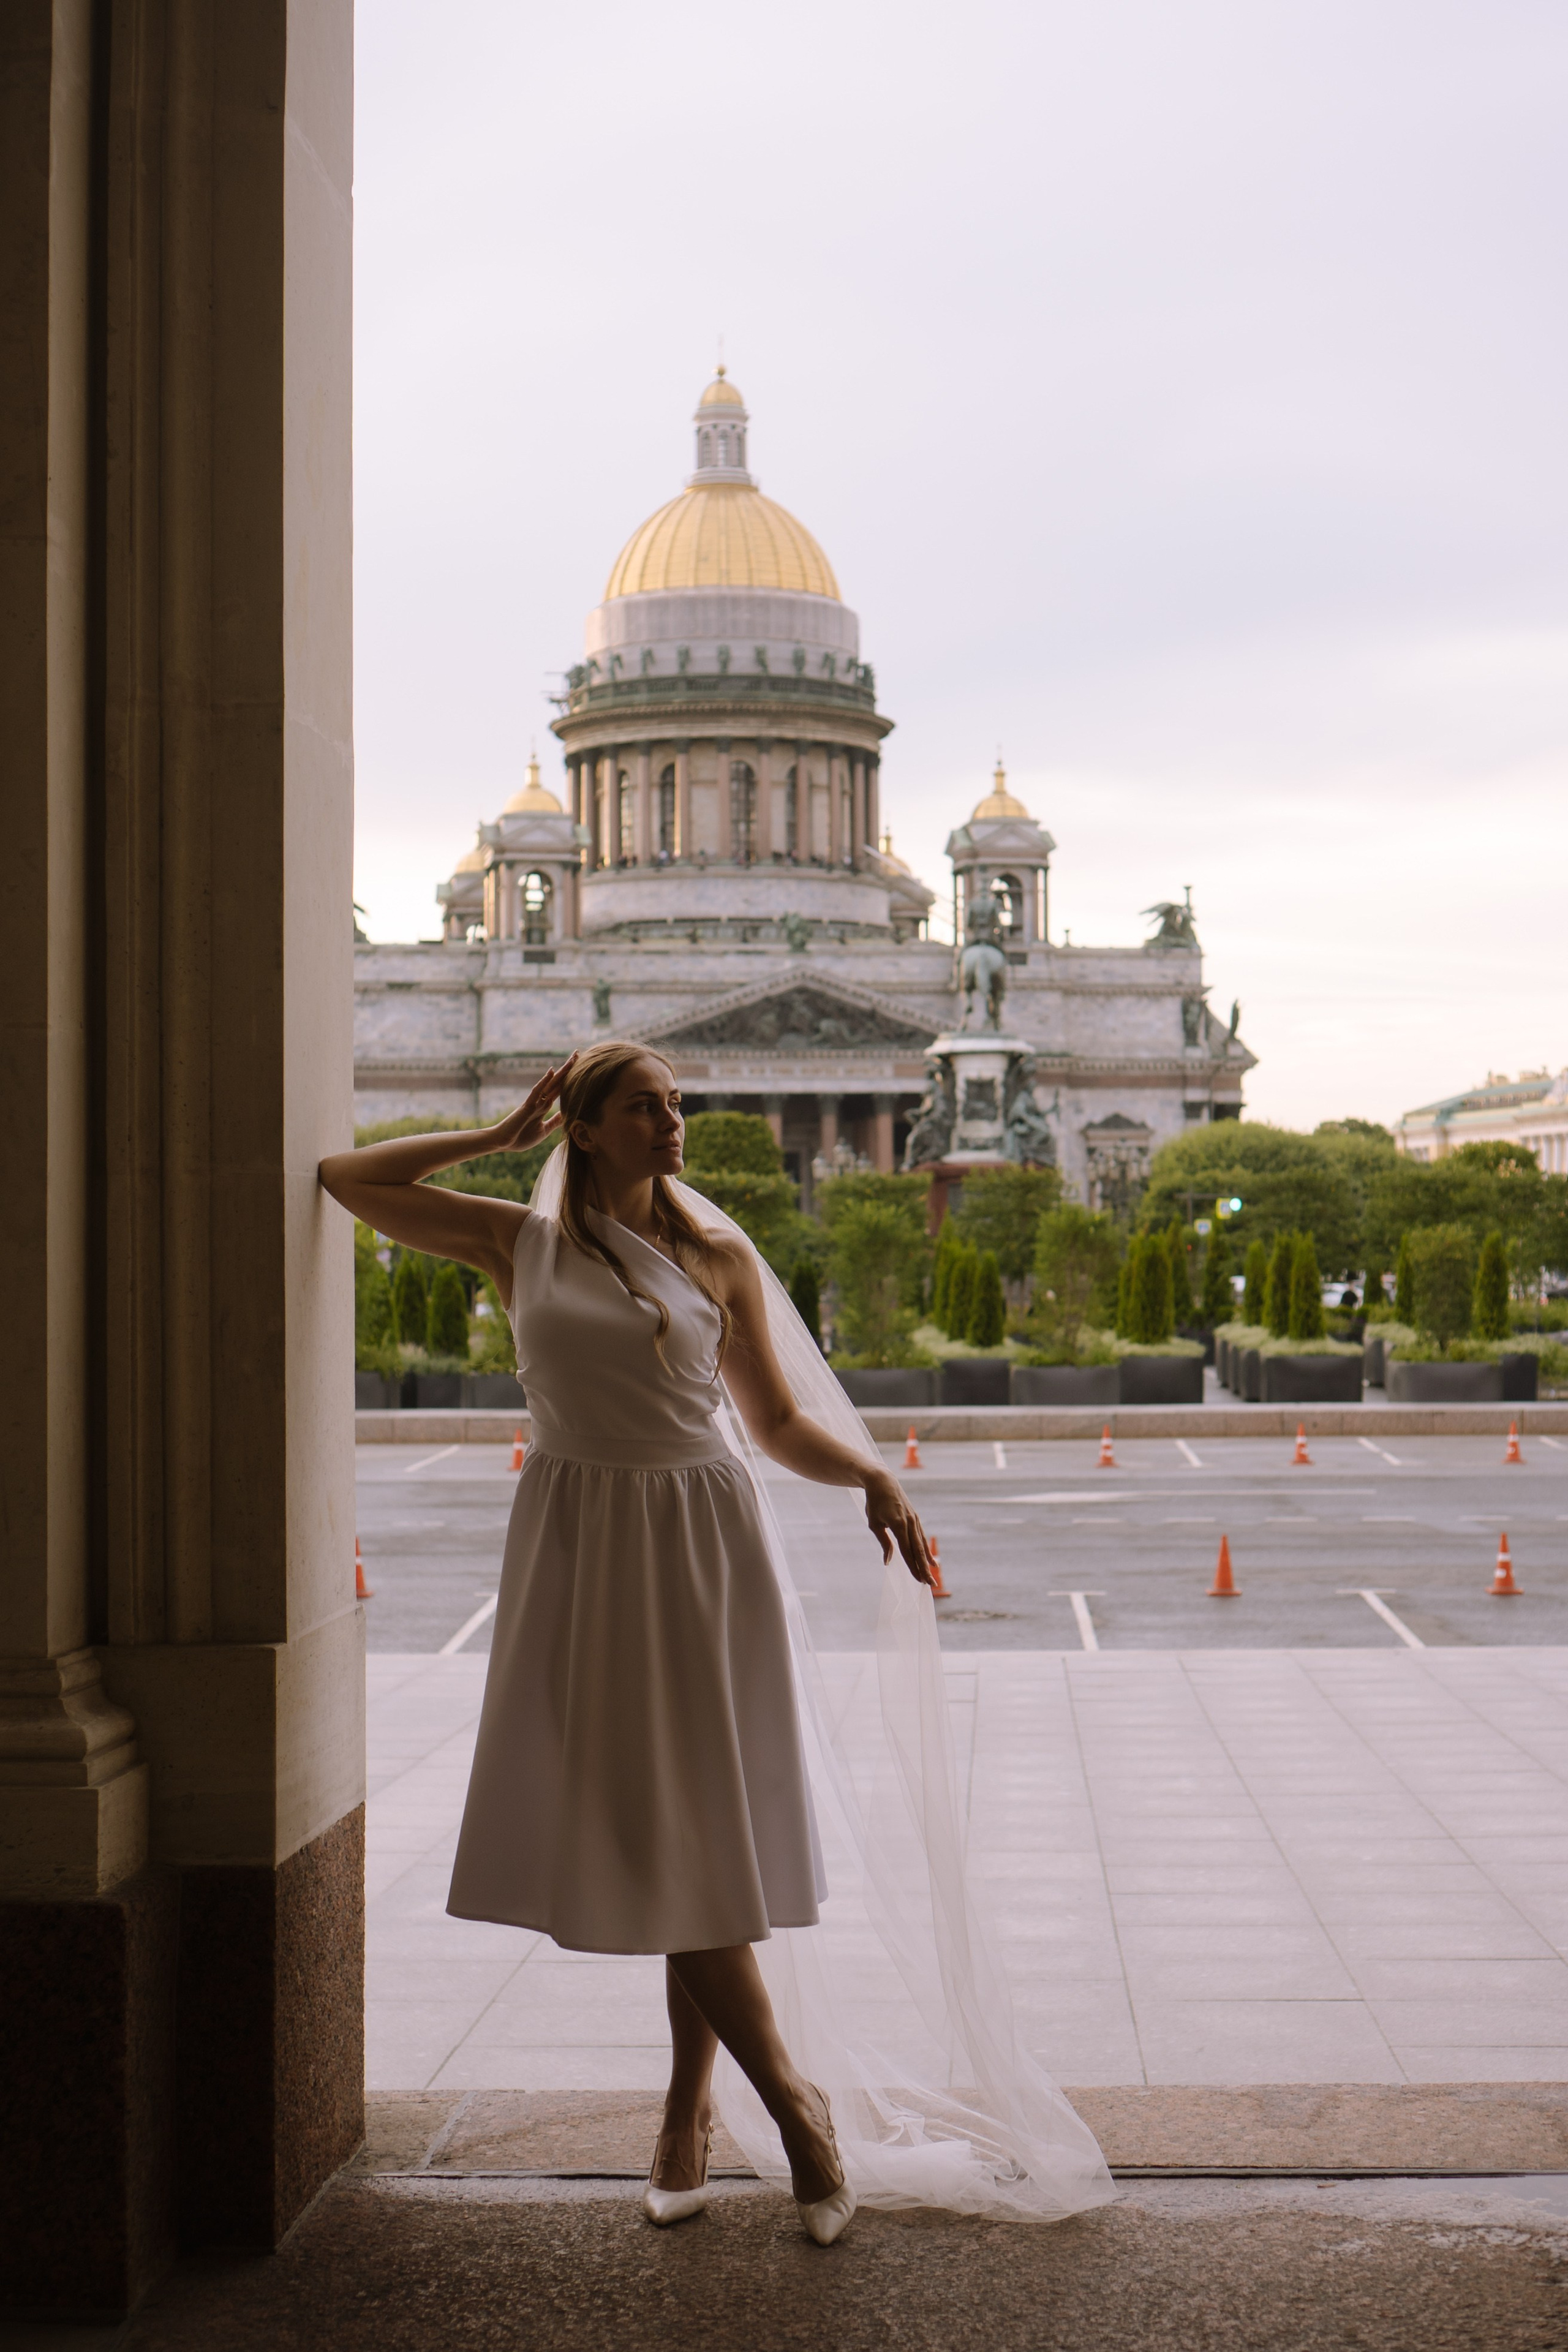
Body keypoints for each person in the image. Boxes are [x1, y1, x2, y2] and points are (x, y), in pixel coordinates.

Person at [319, 1041, 939, 2245]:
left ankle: (717, 2120)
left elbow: (770, 1427)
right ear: (585, 1128)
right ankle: (759, 2106)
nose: (674, 1122)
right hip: (579, 1543)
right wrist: (495, 1139)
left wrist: (865, 1469)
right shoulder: (517, 1242)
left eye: (675, 1104)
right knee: (653, 1827)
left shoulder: (716, 1254)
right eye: (643, 1107)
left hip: (701, 1541)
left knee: (689, 1830)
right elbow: (349, 1179)